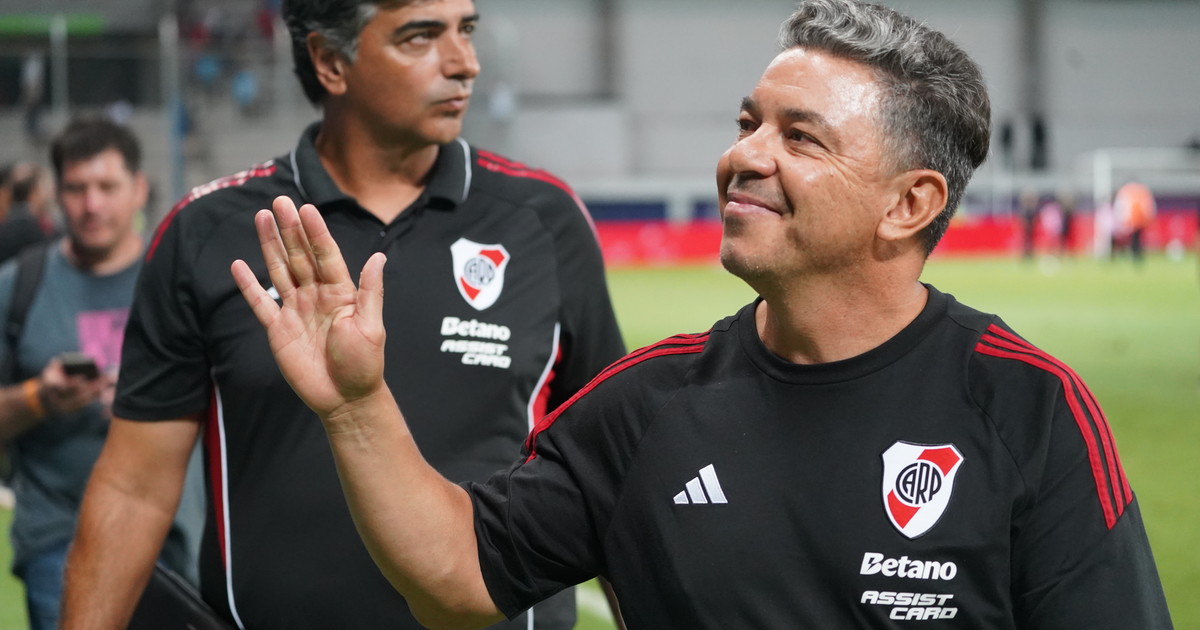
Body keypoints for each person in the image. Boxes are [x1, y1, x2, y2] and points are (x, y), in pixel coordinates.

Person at [232, 0, 1174, 627]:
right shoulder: (644, 407)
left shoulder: (1029, 409)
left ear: (909, 205)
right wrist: (355, 407)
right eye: (748, 123)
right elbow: (457, 579)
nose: (745, 157)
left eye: (800, 137)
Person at [61, 0, 625, 629]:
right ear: (331, 61)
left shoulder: (545, 223)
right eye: (420, 37)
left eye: (466, 30)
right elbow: (134, 489)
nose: (464, 63)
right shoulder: (208, 233)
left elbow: (610, 471)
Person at [0, 119, 197, 630]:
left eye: (107, 186)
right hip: (59, 538)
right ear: (55, 193)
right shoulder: (18, 285)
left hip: (175, 537)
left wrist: (149, 400)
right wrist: (40, 397)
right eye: (76, 188)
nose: (92, 205)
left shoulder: (182, 278)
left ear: (139, 189)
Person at [0, 163, 58, 266]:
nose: (50, 194)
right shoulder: (29, 230)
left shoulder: (9, 223)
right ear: (34, 193)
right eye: (45, 188)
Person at [1113, 178, 1157, 265]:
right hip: (1140, 219)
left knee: (1134, 239)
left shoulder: (1125, 190)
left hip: (1131, 219)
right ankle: (1136, 255)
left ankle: (1134, 255)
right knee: (1136, 238)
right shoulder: (1142, 190)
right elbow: (1148, 205)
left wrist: (1121, 218)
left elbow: (1120, 205)